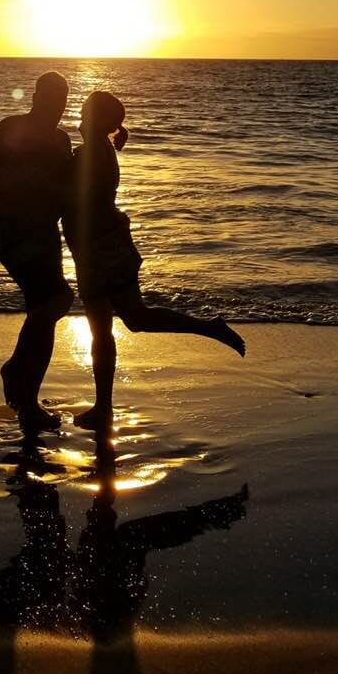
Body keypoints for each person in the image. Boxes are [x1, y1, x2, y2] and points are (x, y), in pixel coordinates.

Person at [64, 91, 245, 431]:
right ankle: (208, 328)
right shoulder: (96, 152)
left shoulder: (90, 157)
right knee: (132, 319)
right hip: (107, 246)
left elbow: (67, 194)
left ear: (102, 122)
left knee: (110, 329)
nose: (79, 118)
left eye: (87, 113)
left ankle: (104, 407)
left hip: (99, 250)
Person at [0, 71, 73, 433]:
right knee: (55, 302)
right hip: (12, 232)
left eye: (61, 101)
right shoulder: (9, 129)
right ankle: (21, 384)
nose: (56, 108)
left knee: (44, 312)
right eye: (50, 99)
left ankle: (26, 391)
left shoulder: (62, 140)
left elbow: (74, 185)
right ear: (35, 97)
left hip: (46, 235)